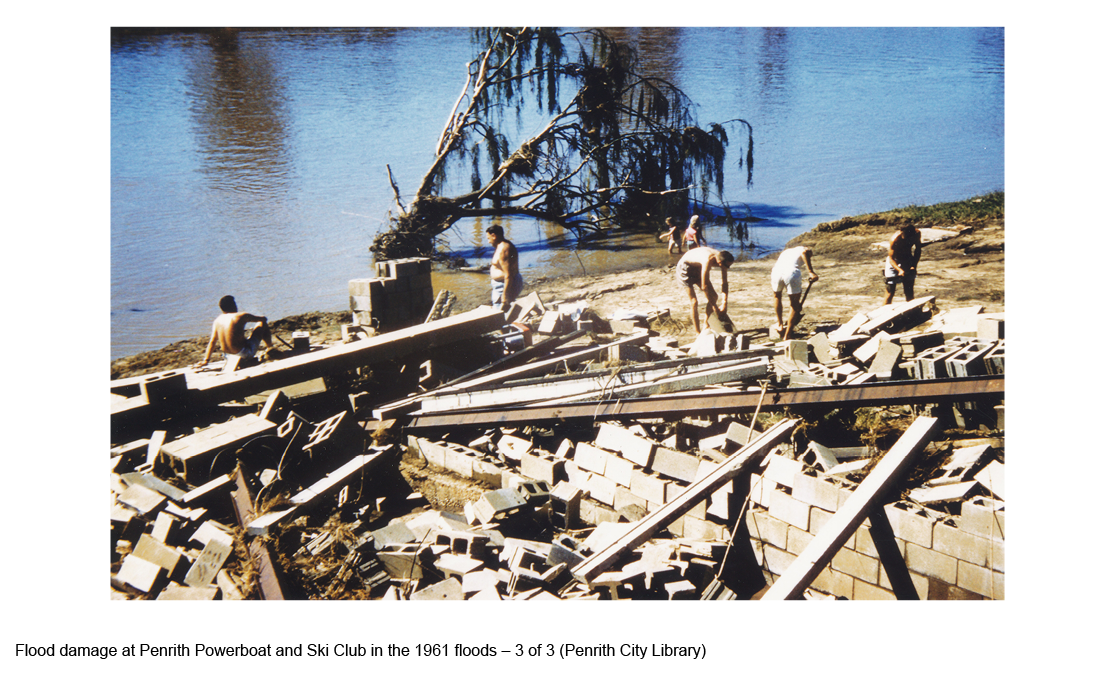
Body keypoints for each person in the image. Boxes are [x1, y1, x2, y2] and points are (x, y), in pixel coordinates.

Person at [198, 295, 273, 366]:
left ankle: (269, 349)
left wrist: (206, 360)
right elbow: (263, 319)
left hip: (228, 356)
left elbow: (212, 341)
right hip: (244, 354)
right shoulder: (241, 315)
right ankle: (270, 348)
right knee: (261, 323)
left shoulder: (217, 320)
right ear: (233, 305)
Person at [676, 246, 735, 333]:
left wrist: (724, 303)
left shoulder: (722, 256)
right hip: (685, 268)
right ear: (719, 263)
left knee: (714, 296)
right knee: (694, 301)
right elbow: (704, 287)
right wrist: (714, 306)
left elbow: (725, 283)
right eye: (727, 266)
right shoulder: (707, 260)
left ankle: (706, 326)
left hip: (697, 267)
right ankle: (697, 332)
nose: (727, 268)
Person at [770, 245, 820, 341]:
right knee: (794, 303)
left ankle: (780, 325)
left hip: (776, 271)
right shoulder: (804, 249)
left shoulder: (787, 251)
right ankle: (787, 335)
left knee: (777, 296)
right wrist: (811, 271)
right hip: (791, 272)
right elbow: (805, 252)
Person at [487, 224, 523, 312]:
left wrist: (505, 295)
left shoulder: (504, 249)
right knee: (502, 311)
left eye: (488, 238)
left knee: (500, 313)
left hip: (505, 285)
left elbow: (508, 274)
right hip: (501, 285)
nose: (488, 241)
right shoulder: (501, 246)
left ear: (494, 236)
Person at [884, 223, 922, 304]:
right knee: (890, 292)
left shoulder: (917, 234)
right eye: (904, 235)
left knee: (909, 293)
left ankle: (912, 313)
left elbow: (918, 251)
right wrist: (899, 270)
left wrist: (913, 266)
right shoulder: (895, 239)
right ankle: (884, 313)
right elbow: (891, 258)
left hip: (907, 259)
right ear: (901, 232)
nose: (905, 238)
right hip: (894, 261)